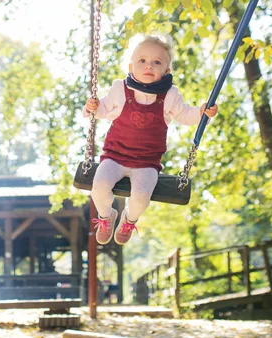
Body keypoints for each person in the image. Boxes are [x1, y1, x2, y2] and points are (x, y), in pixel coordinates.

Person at [83, 35, 218, 245]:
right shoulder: (120, 89)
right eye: (142, 61)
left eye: (157, 62)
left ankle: (129, 219)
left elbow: (185, 116)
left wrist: (202, 113)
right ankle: (106, 216)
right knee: (99, 187)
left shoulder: (170, 95)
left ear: (167, 71)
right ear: (131, 66)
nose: (149, 66)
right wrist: (92, 107)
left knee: (141, 197)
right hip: (114, 156)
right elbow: (102, 110)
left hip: (147, 163)